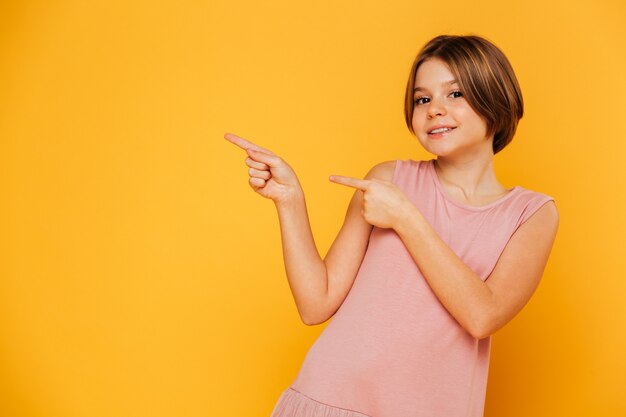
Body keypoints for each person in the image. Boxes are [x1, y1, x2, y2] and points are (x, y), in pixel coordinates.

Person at [224, 34, 559, 417]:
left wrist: (405, 218)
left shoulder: (531, 213)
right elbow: (315, 303)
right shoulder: (387, 179)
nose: (434, 109)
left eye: (455, 94)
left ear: (496, 100)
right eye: (422, 99)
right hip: (329, 399)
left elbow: (482, 316)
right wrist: (289, 200)